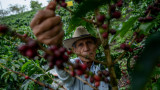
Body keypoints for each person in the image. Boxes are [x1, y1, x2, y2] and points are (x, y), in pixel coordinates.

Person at [30, 1, 110, 90]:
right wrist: (56, 44)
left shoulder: (104, 68)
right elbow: (63, 69)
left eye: (89, 43)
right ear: (74, 50)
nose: (86, 48)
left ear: (95, 46)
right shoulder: (73, 66)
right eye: (80, 45)